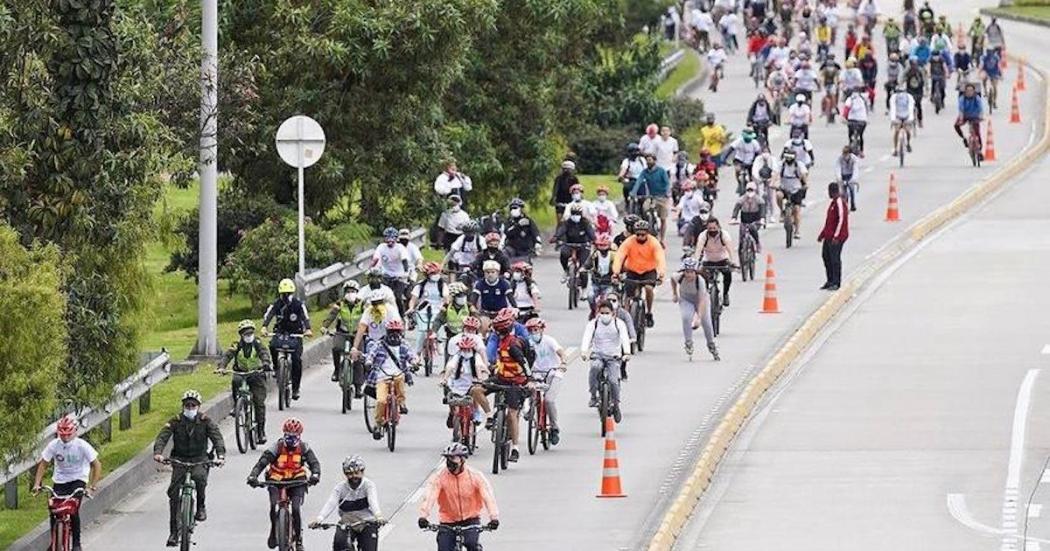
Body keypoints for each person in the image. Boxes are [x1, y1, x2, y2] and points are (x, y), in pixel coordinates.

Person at [152, 390, 226, 547]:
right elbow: (162, 437)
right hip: (179, 460)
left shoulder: (206, 421)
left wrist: (220, 456)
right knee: (173, 493)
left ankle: (200, 506)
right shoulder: (175, 421)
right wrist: (158, 453)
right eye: (187, 405)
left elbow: (217, 438)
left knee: (200, 479)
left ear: (198, 406)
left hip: (199, 460)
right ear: (183, 406)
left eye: (193, 405)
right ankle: (173, 532)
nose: (190, 408)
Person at [247, 418, 321, 551]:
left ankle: (298, 539)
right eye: (288, 436)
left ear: (299, 436)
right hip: (276, 479)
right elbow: (262, 462)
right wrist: (253, 476)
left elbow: (314, 463)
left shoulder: (304, 448)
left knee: (296, 509)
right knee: (274, 505)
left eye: (294, 437)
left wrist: (315, 474)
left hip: (297, 480)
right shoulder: (277, 447)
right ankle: (274, 530)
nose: (291, 439)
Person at [32, 416, 101, 551]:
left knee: (73, 511)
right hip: (60, 480)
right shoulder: (54, 445)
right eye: (62, 435)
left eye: (68, 435)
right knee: (54, 511)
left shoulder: (82, 445)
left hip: (78, 480)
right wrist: (37, 484)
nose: (65, 438)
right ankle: (54, 542)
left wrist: (92, 486)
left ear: (74, 432)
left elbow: (96, 465)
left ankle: (76, 543)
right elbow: (43, 464)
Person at [418, 443, 500, 551]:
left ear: (462, 460)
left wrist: (493, 518)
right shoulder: (439, 477)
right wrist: (423, 516)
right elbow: (429, 496)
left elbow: (488, 497)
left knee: (472, 544)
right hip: (448, 521)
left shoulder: (475, 476)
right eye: (447, 459)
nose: (449, 462)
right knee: (443, 547)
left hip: (470, 520)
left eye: (453, 458)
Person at [310, 456, 383, 551]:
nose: (354, 477)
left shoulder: (368, 485)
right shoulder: (340, 488)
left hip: (367, 522)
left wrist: (379, 516)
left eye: (357, 473)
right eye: (350, 474)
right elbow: (330, 503)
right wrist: (319, 519)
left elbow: (373, 501)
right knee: (339, 543)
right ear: (345, 474)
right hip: (347, 523)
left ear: (362, 472)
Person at [488, 309, 533, 462]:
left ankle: (515, 448)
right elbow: (495, 357)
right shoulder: (498, 340)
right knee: (476, 390)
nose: (496, 332)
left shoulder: (513, 343)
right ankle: (489, 416)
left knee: (512, 414)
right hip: (501, 378)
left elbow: (524, 362)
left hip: (515, 382)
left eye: (498, 330)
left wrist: (530, 379)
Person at [219, 320, 272, 442]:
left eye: (250, 333)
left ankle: (260, 431)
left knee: (259, 402)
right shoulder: (236, 345)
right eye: (246, 334)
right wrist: (222, 367)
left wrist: (266, 363)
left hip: (256, 374)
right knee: (235, 381)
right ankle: (236, 404)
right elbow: (228, 355)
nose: (249, 336)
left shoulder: (257, 343)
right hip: (241, 372)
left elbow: (264, 353)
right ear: (241, 335)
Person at [364, 320, 417, 439]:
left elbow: (411, 355)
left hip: (398, 374)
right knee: (381, 401)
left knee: (401, 390)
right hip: (382, 376)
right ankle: (378, 424)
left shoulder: (404, 345)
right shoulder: (379, 344)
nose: (394, 335)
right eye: (392, 332)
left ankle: (401, 404)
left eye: (397, 332)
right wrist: (368, 362)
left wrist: (414, 363)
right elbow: (371, 354)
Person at [261, 278, 313, 401]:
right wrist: (264, 327)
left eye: (288, 294)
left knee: (296, 360)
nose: (286, 296)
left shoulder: (298, 305)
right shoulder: (276, 304)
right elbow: (269, 315)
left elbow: (305, 318)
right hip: (280, 332)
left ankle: (295, 388)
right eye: (284, 294)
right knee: (273, 346)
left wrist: (308, 329)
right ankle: (276, 368)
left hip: (295, 334)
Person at [581, 300, 632, 418]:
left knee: (614, 381)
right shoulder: (593, 324)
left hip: (613, 357)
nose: (604, 315)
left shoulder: (619, 324)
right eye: (602, 313)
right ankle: (593, 396)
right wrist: (584, 351)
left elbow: (624, 338)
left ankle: (616, 404)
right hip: (598, 355)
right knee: (594, 368)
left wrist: (627, 353)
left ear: (613, 313)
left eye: (607, 313)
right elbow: (587, 337)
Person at [613, 220, 667, 328]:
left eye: (643, 234)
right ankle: (627, 317)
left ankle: (649, 312)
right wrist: (616, 272)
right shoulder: (629, 242)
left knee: (648, 288)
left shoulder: (653, 243)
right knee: (629, 295)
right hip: (633, 271)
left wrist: (661, 274)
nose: (640, 237)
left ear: (647, 233)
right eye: (638, 234)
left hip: (649, 271)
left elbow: (660, 258)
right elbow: (619, 256)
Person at [526, 318, 567, 445]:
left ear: (542, 330)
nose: (534, 333)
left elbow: (560, 352)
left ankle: (554, 428)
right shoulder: (527, 343)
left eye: (536, 330)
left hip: (553, 373)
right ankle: (529, 410)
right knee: (527, 391)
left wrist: (563, 362)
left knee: (548, 400)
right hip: (535, 374)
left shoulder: (549, 341)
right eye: (531, 331)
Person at [671, 257, 720, 360]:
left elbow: (702, 301)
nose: (689, 275)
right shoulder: (679, 277)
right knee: (686, 317)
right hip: (686, 299)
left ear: (696, 272)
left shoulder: (700, 281)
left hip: (700, 300)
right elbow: (672, 279)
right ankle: (688, 342)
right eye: (687, 272)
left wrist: (698, 318)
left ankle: (711, 343)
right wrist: (675, 293)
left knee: (706, 322)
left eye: (691, 272)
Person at [440, 337, 492, 429]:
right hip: (457, 384)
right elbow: (450, 367)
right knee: (451, 398)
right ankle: (452, 414)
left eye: (468, 349)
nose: (466, 351)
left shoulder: (476, 357)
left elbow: (480, 367)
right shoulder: (456, 356)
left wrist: (483, 376)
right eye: (464, 349)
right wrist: (445, 379)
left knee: (475, 392)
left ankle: (476, 412)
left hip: (470, 384)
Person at [696, 217, 737, 307]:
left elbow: (730, 248)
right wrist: (696, 261)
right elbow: (699, 249)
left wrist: (732, 261)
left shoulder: (724, 235)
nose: (712, 230)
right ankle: (705, 295)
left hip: (722, 260)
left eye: (714, 228)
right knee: (702, 277)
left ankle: (725, 294)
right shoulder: (703, 236)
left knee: (727, 275)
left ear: (718, 227)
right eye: (710, 229)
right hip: (708, 260)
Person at [632, 152, 672, 243]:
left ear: (654, 161)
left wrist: (666, 193)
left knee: (663, 218)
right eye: (647, 160)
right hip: (651, 197)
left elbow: (666, 183)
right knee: (645, 208)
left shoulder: (661, 171)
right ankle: (649, 225)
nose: (648, 162)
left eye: (650, 160)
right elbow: (639, 181)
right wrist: (633, 192)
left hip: (662, 197)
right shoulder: (645, 172)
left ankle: (662, 238)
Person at [371, 227, 412, 313]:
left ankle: (402, 316)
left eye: (392, 240)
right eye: (387, 239)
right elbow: (376, 259)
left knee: (397, 297)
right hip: (386, 275)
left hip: (399, 276)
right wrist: (371, 268)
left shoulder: (400, 248)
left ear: (396, 239)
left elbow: (404, 260)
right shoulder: (381, 247)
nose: (390, 242)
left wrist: (406, 272)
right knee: (382, 295)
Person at [352, 292, 403, 361]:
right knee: (369, 360)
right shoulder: (368, 311)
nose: (377, 305)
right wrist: (355, 347)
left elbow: (398, 326)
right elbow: (361, 328)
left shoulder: (391, 310)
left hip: (389, 341)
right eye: (374, 303)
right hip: (373, 341)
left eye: (380, 302)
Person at [818, 182, 850, 291]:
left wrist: (836, 236)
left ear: (833, 191)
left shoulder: (839, 202)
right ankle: (830, 280)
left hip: (837, 237)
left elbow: (841, 219)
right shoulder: (832, 203)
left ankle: (836, 282)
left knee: (834, 258)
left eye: (830, 192)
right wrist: (822, 234)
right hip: (829, 236)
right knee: (826, 256)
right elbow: (829, 222)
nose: (829, 194)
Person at [774, 150, 809, 237]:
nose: (788, 161)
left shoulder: (799, 165)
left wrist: (806, 184)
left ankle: (797, 230)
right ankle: (782, 211)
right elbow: (775, 174)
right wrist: (772, 183)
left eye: (790, 159)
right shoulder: (781, 165)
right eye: (787, 158)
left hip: (796, 189)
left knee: (797, 210)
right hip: (784, 188)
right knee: (778, 195)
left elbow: (804, 175)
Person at [584, 233, 617, 316]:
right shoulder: (594, 255)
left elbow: (619, 267)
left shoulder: (614, 256)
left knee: (607, 300)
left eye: (604, 245)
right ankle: (593, 310)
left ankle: (608, 314)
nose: (602, 248)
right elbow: (587, 265)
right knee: (590, 296)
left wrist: (617, 275)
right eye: (600, 245)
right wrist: (583, 269)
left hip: (608, 284)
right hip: (596, 283)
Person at [724, 128, 763, 195]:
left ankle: (753, 187)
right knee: (738, 170)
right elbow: (731, 148)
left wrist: (756, 161)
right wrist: (725, 158)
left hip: (750, 161)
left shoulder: (754, 143)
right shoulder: (739, 141)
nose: (749, 139)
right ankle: (739, 182)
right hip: (739, 159)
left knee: (753, 176)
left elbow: (758, 153)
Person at [954, 83, 986, 157]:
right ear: (965, 91)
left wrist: (981, 116)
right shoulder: (962, 98)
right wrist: (961, 119)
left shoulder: (976, 98)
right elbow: (961, 109)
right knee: (956, 125)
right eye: (968, 91)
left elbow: (980, 108)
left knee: (977, 133)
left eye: (971, 91)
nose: (969, 92)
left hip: (975, 116)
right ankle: (964, 138)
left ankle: (979, 150)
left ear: (974, 91)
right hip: (965, 115)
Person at [731, 183, 765, 253]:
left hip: (755, 219)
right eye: (748, 190)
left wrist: (762, 219)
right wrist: (734, 218)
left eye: (751, 190)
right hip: (745, 219)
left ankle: (757, 243)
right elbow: (737, 208)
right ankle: (740, 246)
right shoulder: (742, 199)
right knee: (742, 231)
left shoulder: (759, 199)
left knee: (753, 228)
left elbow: (762, 210)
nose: (750, 192)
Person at [889, 85, 916, 156]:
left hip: (907, 115)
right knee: (897, 131)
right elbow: (893, 108)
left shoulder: (909, 97)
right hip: (897, 115)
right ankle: (895, 148)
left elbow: (911, 108)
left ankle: (908, 143)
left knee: (908, 131)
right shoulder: (893, 97)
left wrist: (910, 119)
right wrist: (893, 119)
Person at [842, 87, 869, 156]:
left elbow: (846, 109)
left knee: (850, 135)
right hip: (862, 120)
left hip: (852, 120)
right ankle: (861, 150)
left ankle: (851, 145)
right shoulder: (863, 98)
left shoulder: (850, 99)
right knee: (860, 135)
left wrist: (844, 118)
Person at [834, 146, 863, 212]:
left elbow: (856, 169)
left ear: (850, 153)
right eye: (844, 153)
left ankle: (852, 204)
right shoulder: (840, 158)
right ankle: (845, 206)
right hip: (843, 175)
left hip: (851, 175)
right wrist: (839, 178)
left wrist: (853, 179)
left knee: (851, 189)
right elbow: (837, 168)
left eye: (846, 153)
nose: (845, 155)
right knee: (843, 192)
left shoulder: (854, 159)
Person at [903, 57, 926, 127]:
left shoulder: (921, 70)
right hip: (910, 89)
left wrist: (926, 88)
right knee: (909, 104)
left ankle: (920, 120)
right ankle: (908, 119)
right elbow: (902, 77)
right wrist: (900, 84)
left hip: (919, 89)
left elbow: (925, 79)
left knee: (918, 105)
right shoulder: (908, 70)